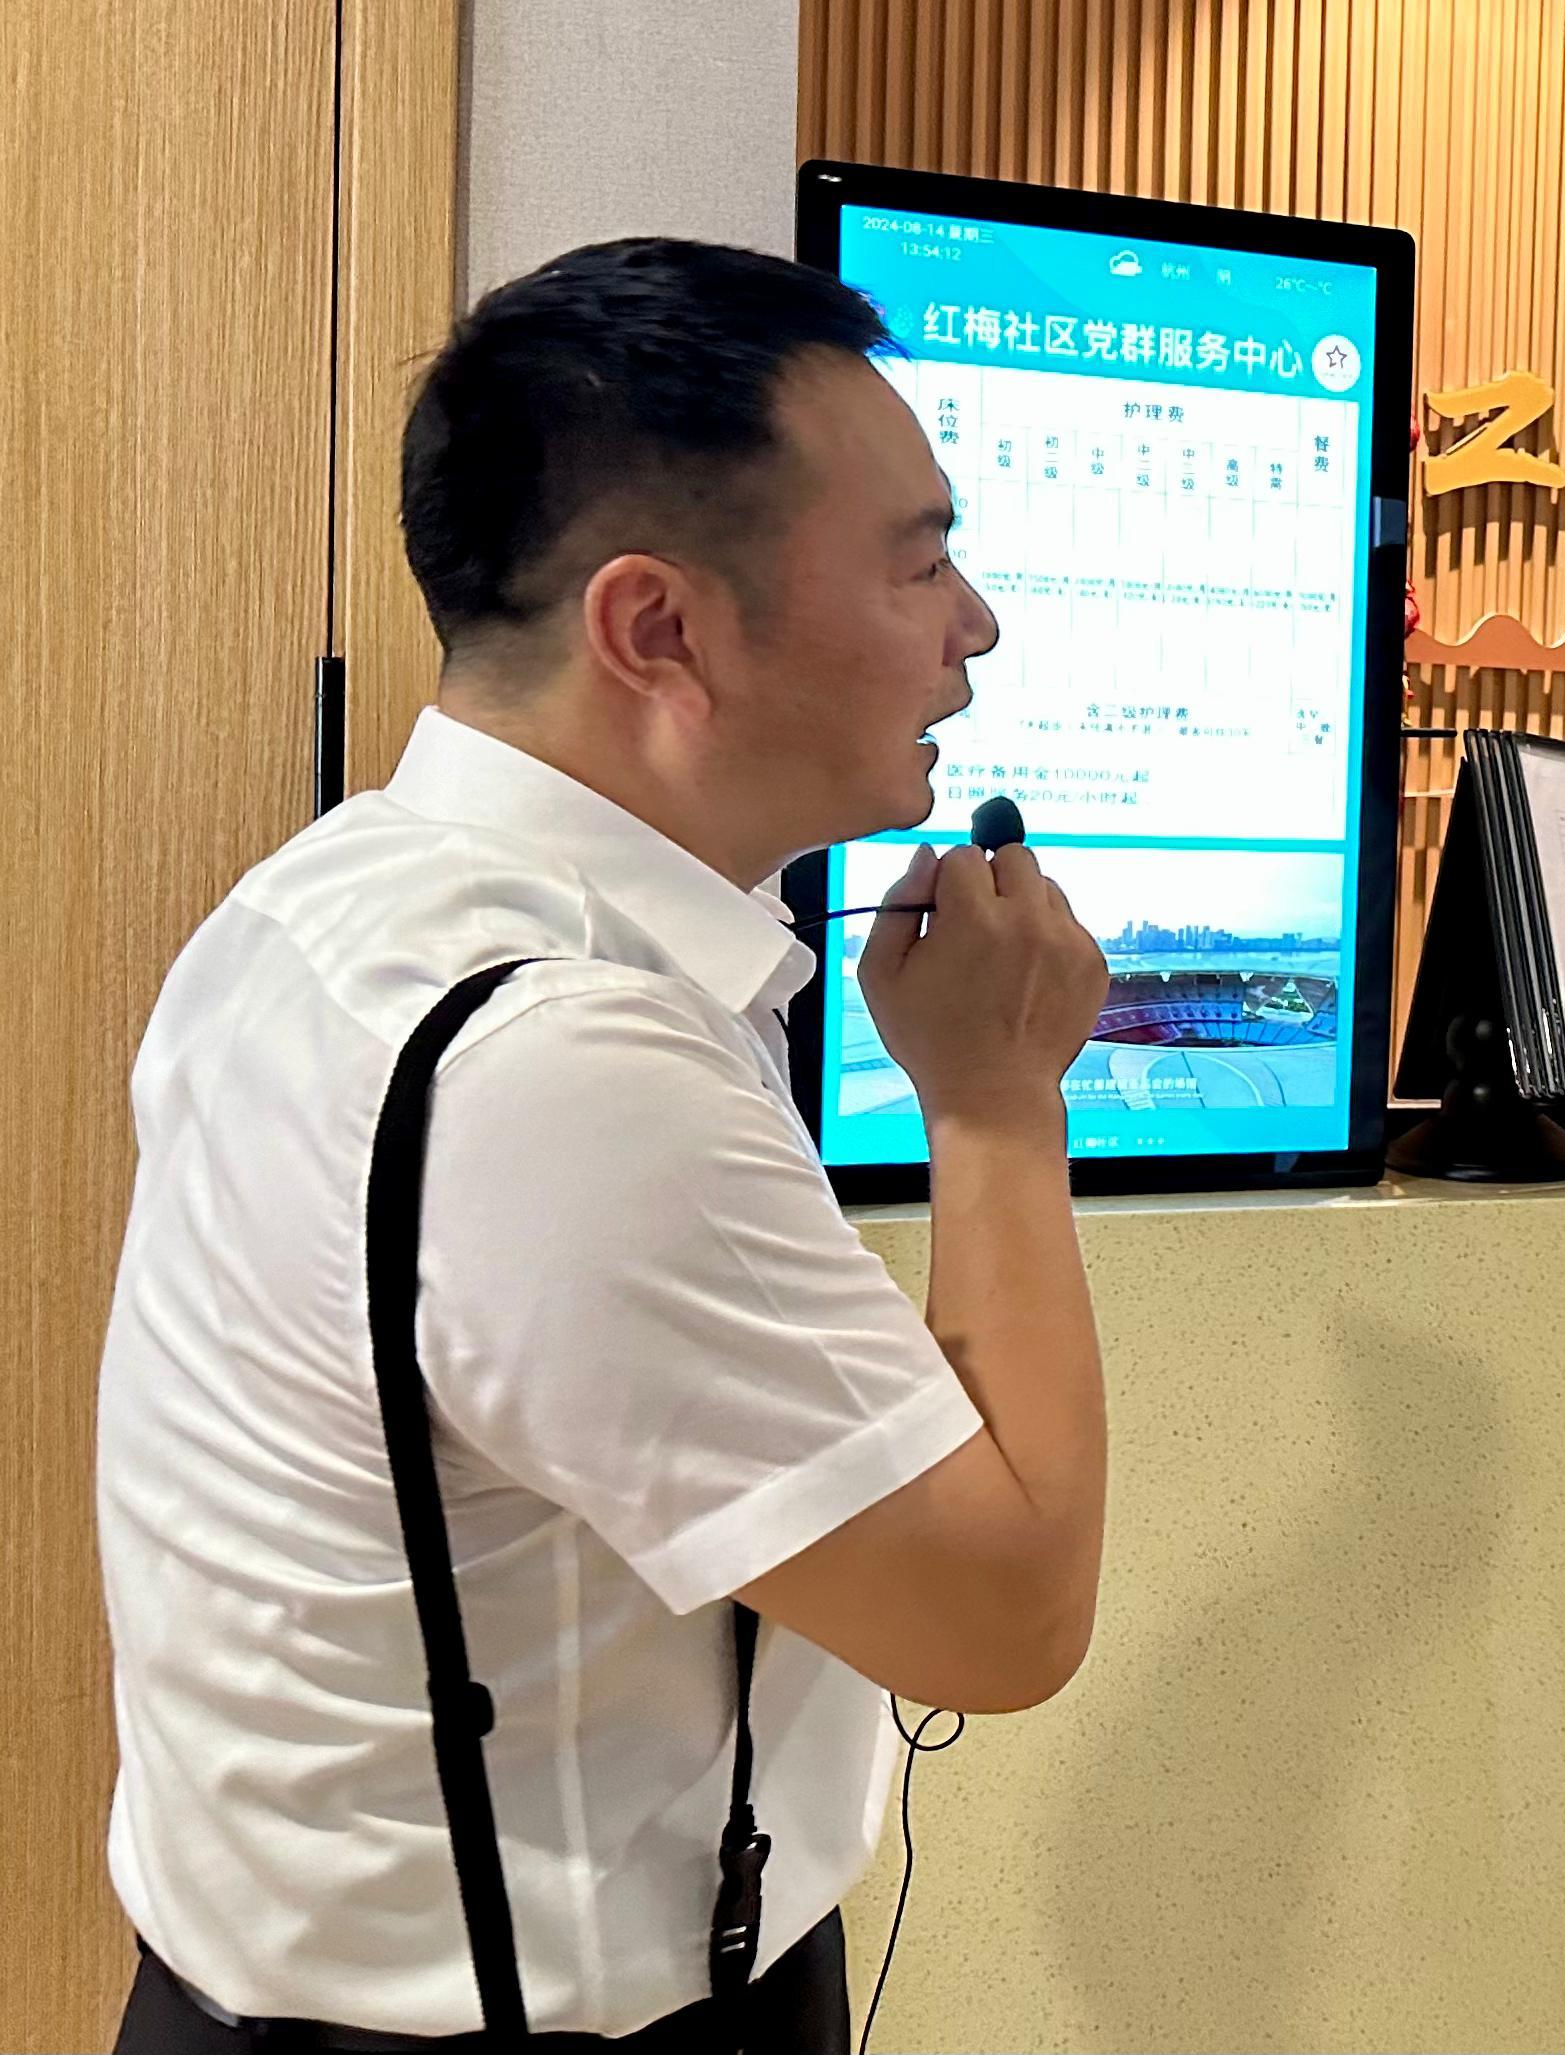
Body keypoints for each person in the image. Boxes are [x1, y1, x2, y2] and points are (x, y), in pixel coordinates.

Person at [96, 240, 1113, 2049]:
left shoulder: (319, 906)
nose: (976, 627)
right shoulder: (567, 1064)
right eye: (920, 559)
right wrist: (995, 1104)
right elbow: (1004, 1616)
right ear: (658, 629)